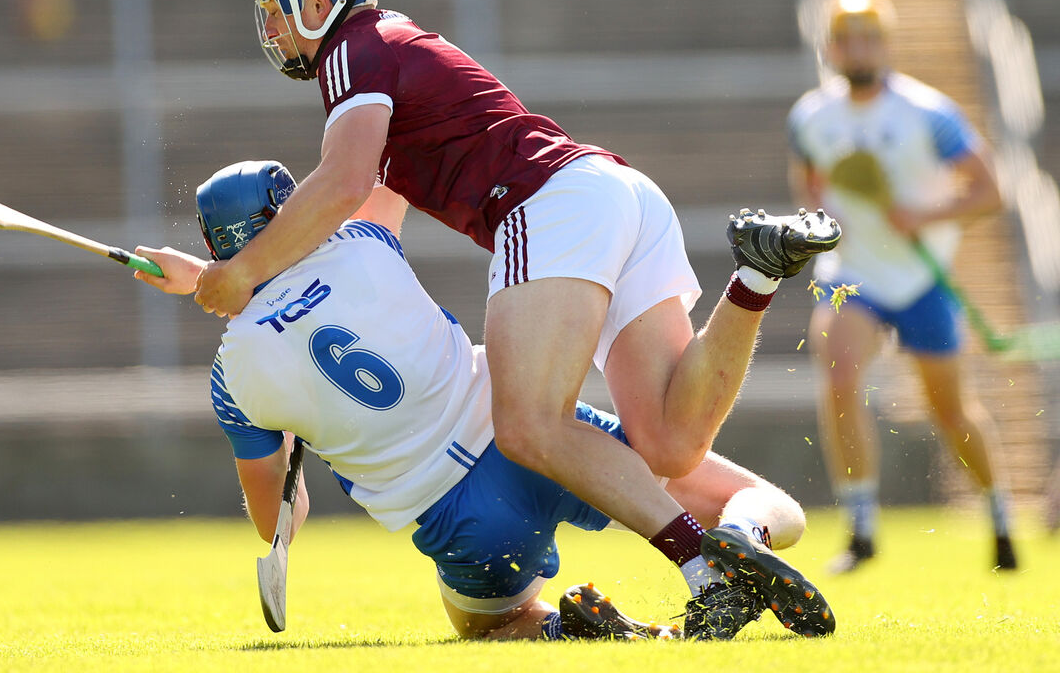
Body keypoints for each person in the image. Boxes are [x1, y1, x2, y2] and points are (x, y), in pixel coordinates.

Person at [175, 0, 841, 628]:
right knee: (671, 445)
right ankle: (756, 284)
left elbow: (342, 185)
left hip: (545, 205)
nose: (272, 29)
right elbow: (342, 223)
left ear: (320, 0)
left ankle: (705, 570)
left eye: (279, 11)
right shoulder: (385, 48)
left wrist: (245, 266)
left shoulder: (351, 50)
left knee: (527, 426)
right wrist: (229, 277)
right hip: (615, 192)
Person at [135, 160, 835, 640]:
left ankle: (581, 632)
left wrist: (289, 432)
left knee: (483, 620)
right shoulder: (363, 242)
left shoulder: (232, 379)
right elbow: (378, 181)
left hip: (465, 526)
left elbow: (278, 527)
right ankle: (746, 535)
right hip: (541, 437)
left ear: (216, 246)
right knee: (766, 503)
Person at [787, 0, 1017, 572]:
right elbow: (809, 183)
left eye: (867, 37)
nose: (855, 48)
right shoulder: (811, 116)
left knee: (950, 410)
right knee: (838, 380)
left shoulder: (928, 113)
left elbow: (990, 192)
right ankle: (861, 529)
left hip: (921, 277)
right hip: (852, 275)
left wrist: (925, 216)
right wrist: (823, 224)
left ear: (884, 45)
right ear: (831, 47)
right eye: (844, 37)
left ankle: (998, 514)